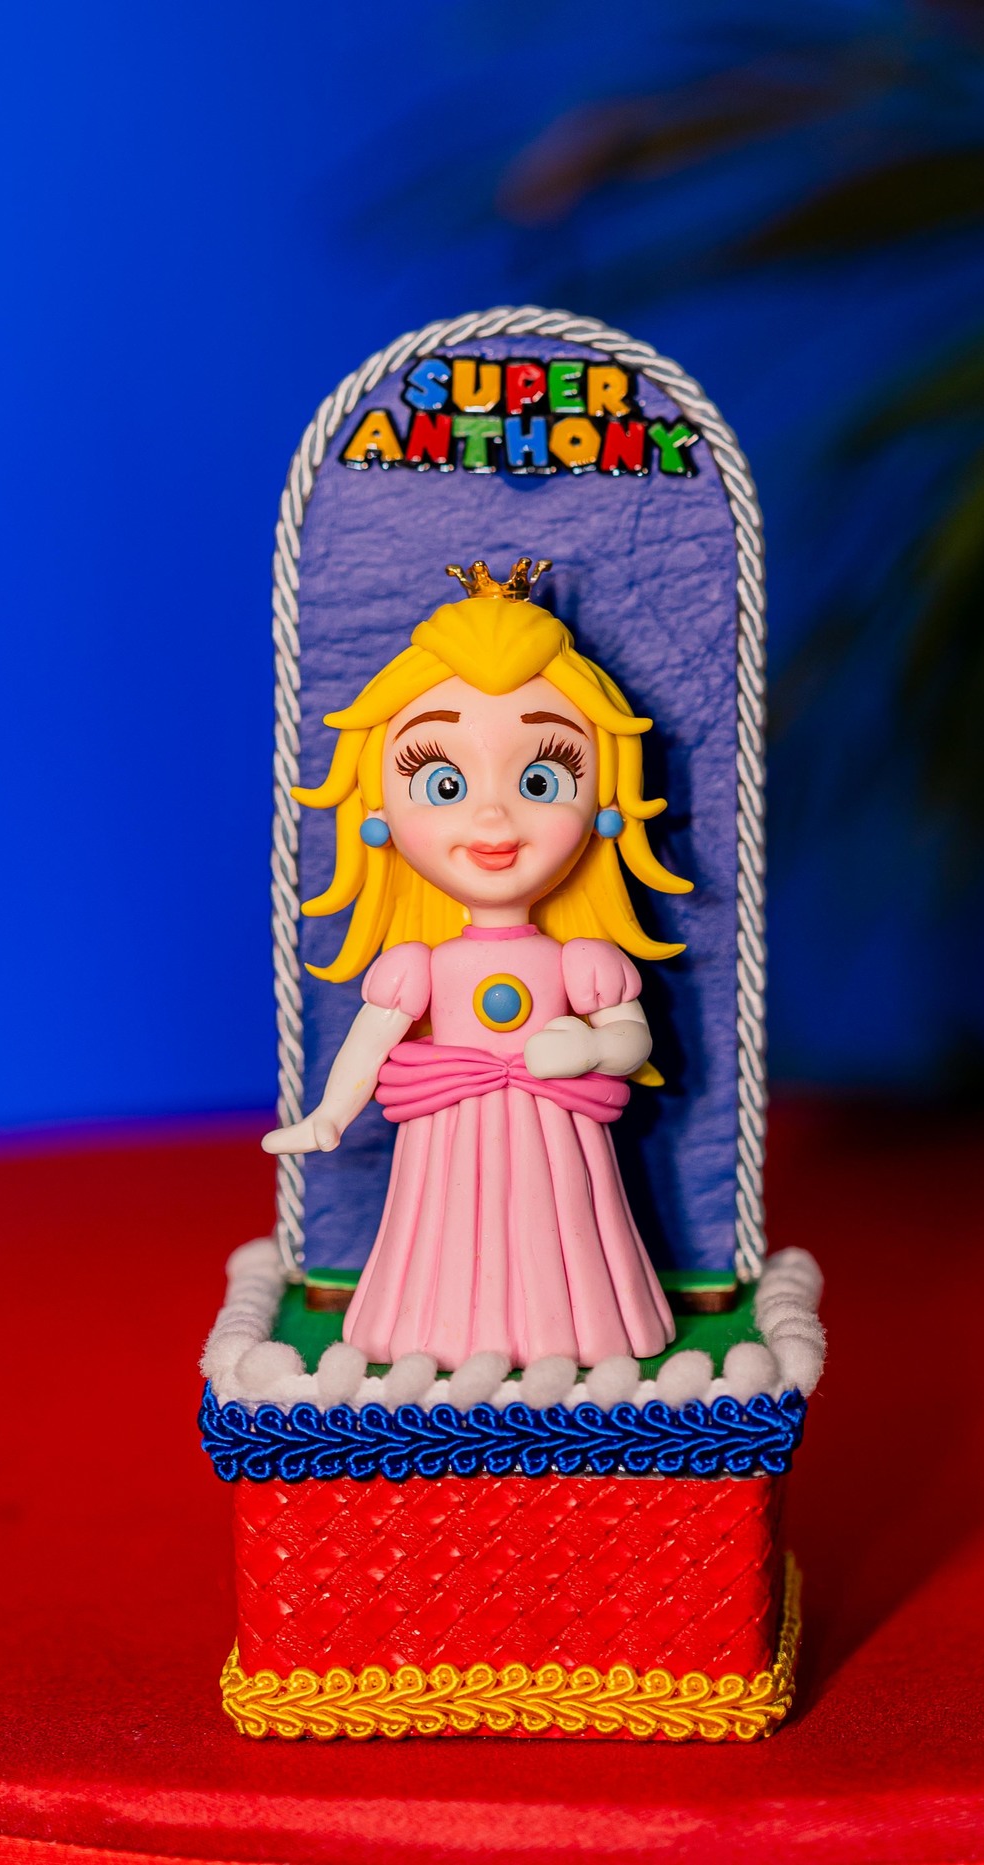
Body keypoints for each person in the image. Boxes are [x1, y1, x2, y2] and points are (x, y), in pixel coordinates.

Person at [264, 556, 690, 1369]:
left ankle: (576, 1327)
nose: (494, 818)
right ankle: (435, 1325)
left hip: (556, 1136)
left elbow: (632, 1039)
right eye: (443, 781)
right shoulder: (416, 965)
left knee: (563, 1234)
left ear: (605, 803)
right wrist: (330, 1113)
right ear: (379, 809)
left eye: (542, 777)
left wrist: (592, 1047)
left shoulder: (583, 958)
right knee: (444, 1233)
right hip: (446, 1138)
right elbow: (371, 1041)